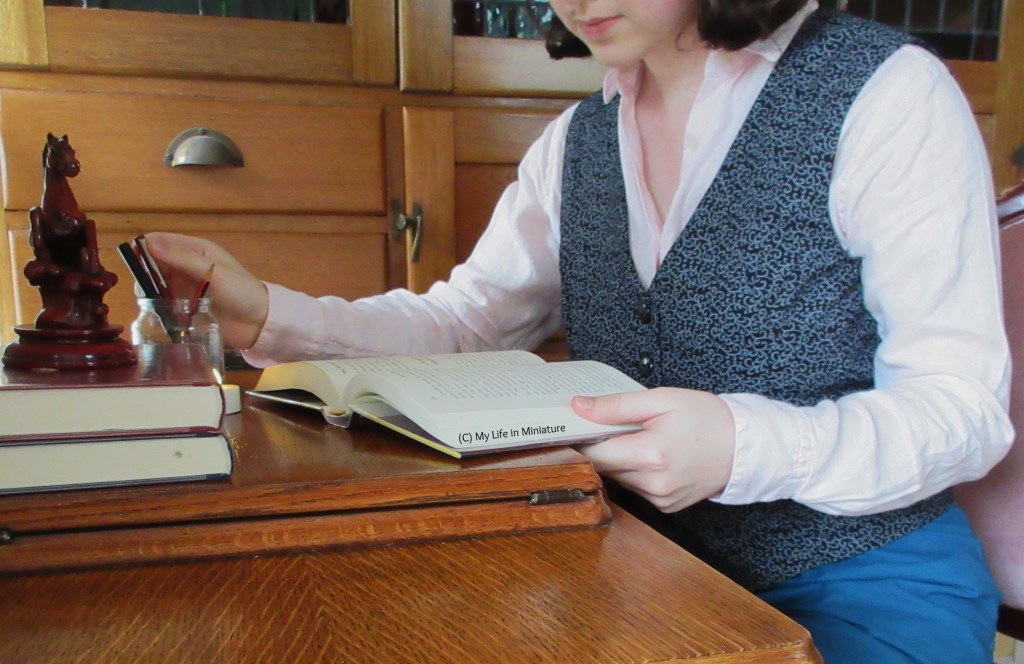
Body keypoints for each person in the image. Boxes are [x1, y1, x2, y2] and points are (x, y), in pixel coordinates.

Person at [145, 1, 1013, 661]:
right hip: (633, 563)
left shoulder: (886, 94)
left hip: (863, 578)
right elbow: (467, 321)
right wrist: (270, 315)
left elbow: (963, 409)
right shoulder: (576, 140)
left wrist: (744, 447)